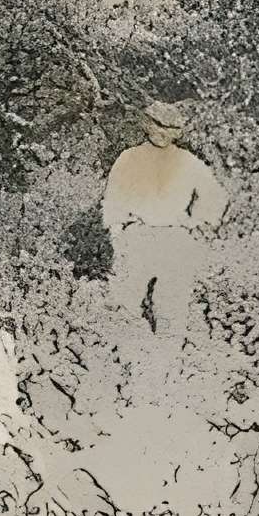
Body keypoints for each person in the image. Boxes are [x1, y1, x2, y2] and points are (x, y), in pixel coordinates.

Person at [102, 95, 228, 352]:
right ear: (147, 125)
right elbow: (114, 197)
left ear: (177, 132)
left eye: (170, 129)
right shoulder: (129, 158)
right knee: (126, 300)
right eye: (158, 125)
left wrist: (198, 223)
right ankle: (128, 357)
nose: (162, 133)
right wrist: (117, 233)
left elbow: (214, 195)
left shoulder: (188, 161)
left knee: (171, 304)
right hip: (138, 236)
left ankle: (167, 361)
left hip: (174, 239)